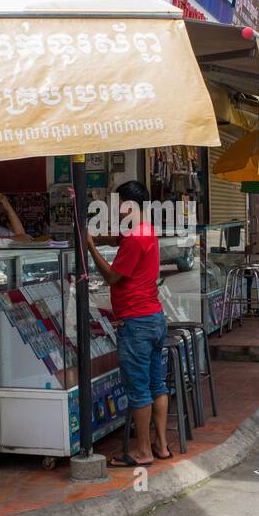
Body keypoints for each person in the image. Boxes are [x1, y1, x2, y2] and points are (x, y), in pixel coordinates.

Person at [84, 180, 169, 467]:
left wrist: (90, 246)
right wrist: (97, 234)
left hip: (136, 321)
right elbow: (116, 238)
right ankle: (162, 445)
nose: (116, 209)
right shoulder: (145, 230)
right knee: (157, 384)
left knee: (139, 389)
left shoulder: (134, 238)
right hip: (154, 317)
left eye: (118, 203)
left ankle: (143, 451)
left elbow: (112, 276)